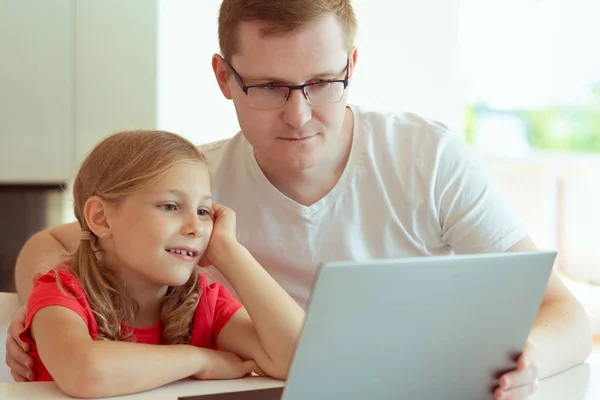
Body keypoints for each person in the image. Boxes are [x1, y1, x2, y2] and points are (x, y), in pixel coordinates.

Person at [6, 1, 592, 399]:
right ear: (224, 77)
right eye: (267, 87)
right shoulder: (193, 188)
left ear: (352, 66)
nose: (299, 115)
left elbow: (565, 313)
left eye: (321, 83)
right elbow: (54, 242)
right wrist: (43, 311)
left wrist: (529, 359)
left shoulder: (425, 156)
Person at [13, 130, 304, 398]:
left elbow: (300, 359)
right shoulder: (61, 291)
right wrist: (200, 359)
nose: (196, 228)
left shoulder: (204, 302)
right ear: (101, 218)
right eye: (170, 206)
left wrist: (229, 250)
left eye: (204, 211)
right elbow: (86, 373)